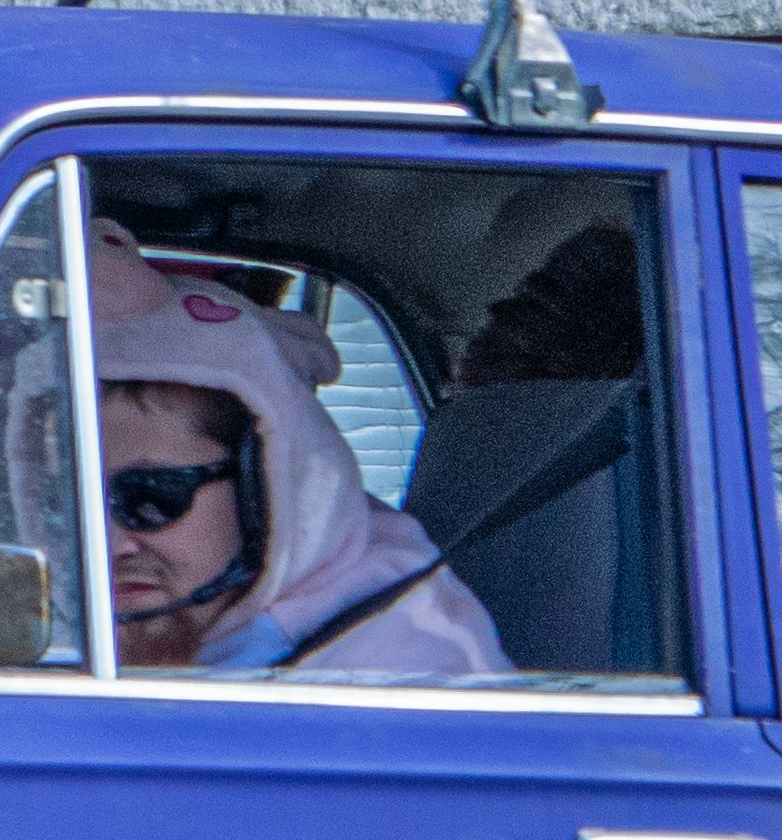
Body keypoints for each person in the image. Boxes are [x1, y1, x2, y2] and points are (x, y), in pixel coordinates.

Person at [72, 227, 508, 680]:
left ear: (267, 486)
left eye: (150, 496)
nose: (107, 542)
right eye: (70, 503)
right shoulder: (45, 635)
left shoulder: (411, 678)